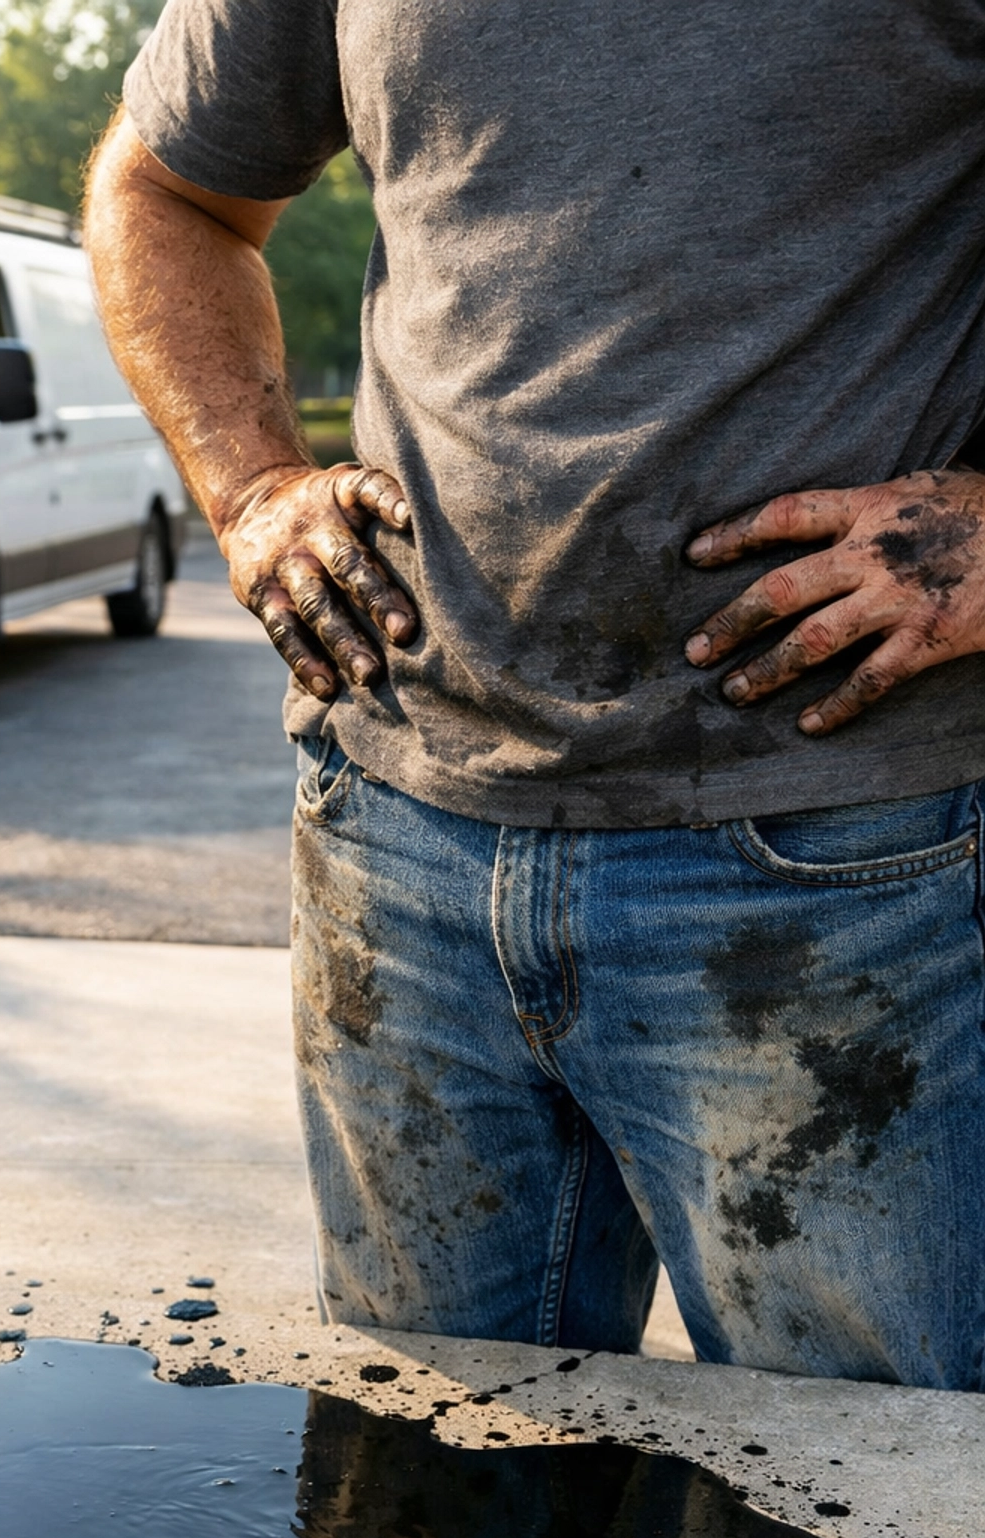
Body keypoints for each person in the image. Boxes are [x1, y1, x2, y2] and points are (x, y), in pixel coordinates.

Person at [84, 0, 985, 1390]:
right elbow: (162, 191)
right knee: (432, 1516)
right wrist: (254, 484)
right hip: (396, 838)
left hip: (834, 867)